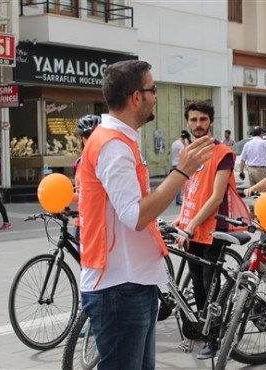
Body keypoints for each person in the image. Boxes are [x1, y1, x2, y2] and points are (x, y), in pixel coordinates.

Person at [78, 60, 215, 370]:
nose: (156, 95)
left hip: (129, 282)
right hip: (118, 286)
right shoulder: (112, 145)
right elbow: (135, 215)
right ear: (136, 97)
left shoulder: (119, 139)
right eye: (153, 89)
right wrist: (183, 171)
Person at [174, 100, 249, 360]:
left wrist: (191, 225)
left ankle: (215, 338)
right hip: (192, 229)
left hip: (213, 227)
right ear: (187, 122)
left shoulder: (222, 153)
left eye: (202, 120)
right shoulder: (188, 152)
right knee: (197, 284)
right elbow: (190, 190)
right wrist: (182, 219)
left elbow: (216, 196)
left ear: (211, 122)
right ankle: (202, 328)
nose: (198, 125)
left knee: (210, 283)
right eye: (193, 120)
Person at [71, 114, 101, 241]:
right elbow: (81, 191)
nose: (91, 139)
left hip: (99, 222)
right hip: (82, 220)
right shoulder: (80, 162)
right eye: (87, 136)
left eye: (94, 135)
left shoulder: (104, 159)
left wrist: (67, 195)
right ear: (81, 138)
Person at [171, 130, 191, 205]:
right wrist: (186, 145)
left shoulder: (174, 143)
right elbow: (185, 154)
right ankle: (179, 199)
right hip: (180, 165)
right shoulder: (180, 145)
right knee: (181, 183)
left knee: (177, 183)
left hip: (174, 164)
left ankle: (178, 198)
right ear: (185, 138)